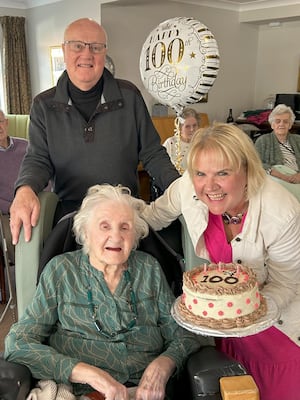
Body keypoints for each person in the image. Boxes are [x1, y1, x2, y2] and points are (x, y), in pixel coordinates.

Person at [141, 123, 300, 400]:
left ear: (247, 170)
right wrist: (109, 214)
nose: (209, 185)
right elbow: (151, 216)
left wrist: (243, 312)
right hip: (222, 332)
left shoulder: (282, 212)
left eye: (223, 173)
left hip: (277, 330)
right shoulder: (187, 188)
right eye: (200, 173)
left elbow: (287, 284)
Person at [5, 184, 201, 400]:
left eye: (125, 227)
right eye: (104, 226)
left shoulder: (149, 268)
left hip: (146, 392)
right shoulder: (61, 271)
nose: (116, 236)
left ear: (135, 235)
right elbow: (19, 343)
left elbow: (183, 335)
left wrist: (164, 364)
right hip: (80, 392)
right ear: (85, 232)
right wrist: (89, 375)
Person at [9, 17, 179, 246]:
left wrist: (179, 188)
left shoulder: (129, 96)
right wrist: (25, 188)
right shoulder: (43, 105)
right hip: (71, 218)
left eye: (96, 47)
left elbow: (152, 154)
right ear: (64, 50)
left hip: (124, 216)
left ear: (105, 52)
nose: (87, 54)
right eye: (78, 45)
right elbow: (38, 158)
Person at [255, 103, 300, 201]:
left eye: (285, 122)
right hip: (276, 180)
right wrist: (282, 176)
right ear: (272, 124)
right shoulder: (263, 141)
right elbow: (255, 163)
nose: (281, 124)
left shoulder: (298, 140)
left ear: (290, 125)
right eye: (278, 121)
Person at [0, 109, 27, 263]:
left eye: (0, 122)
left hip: (35, 204)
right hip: (5, 213)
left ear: (7, 123)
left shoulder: (27, 146)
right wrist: (15, 207)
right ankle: (24, 275)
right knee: (14, 238)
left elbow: (46, 177)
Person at [163, 108, 201, 174]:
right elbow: (162, 167)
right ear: (180, 128)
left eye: (194, 125)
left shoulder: (202, 144)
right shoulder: (170, 143)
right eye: (187, 126)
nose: (192, 129)